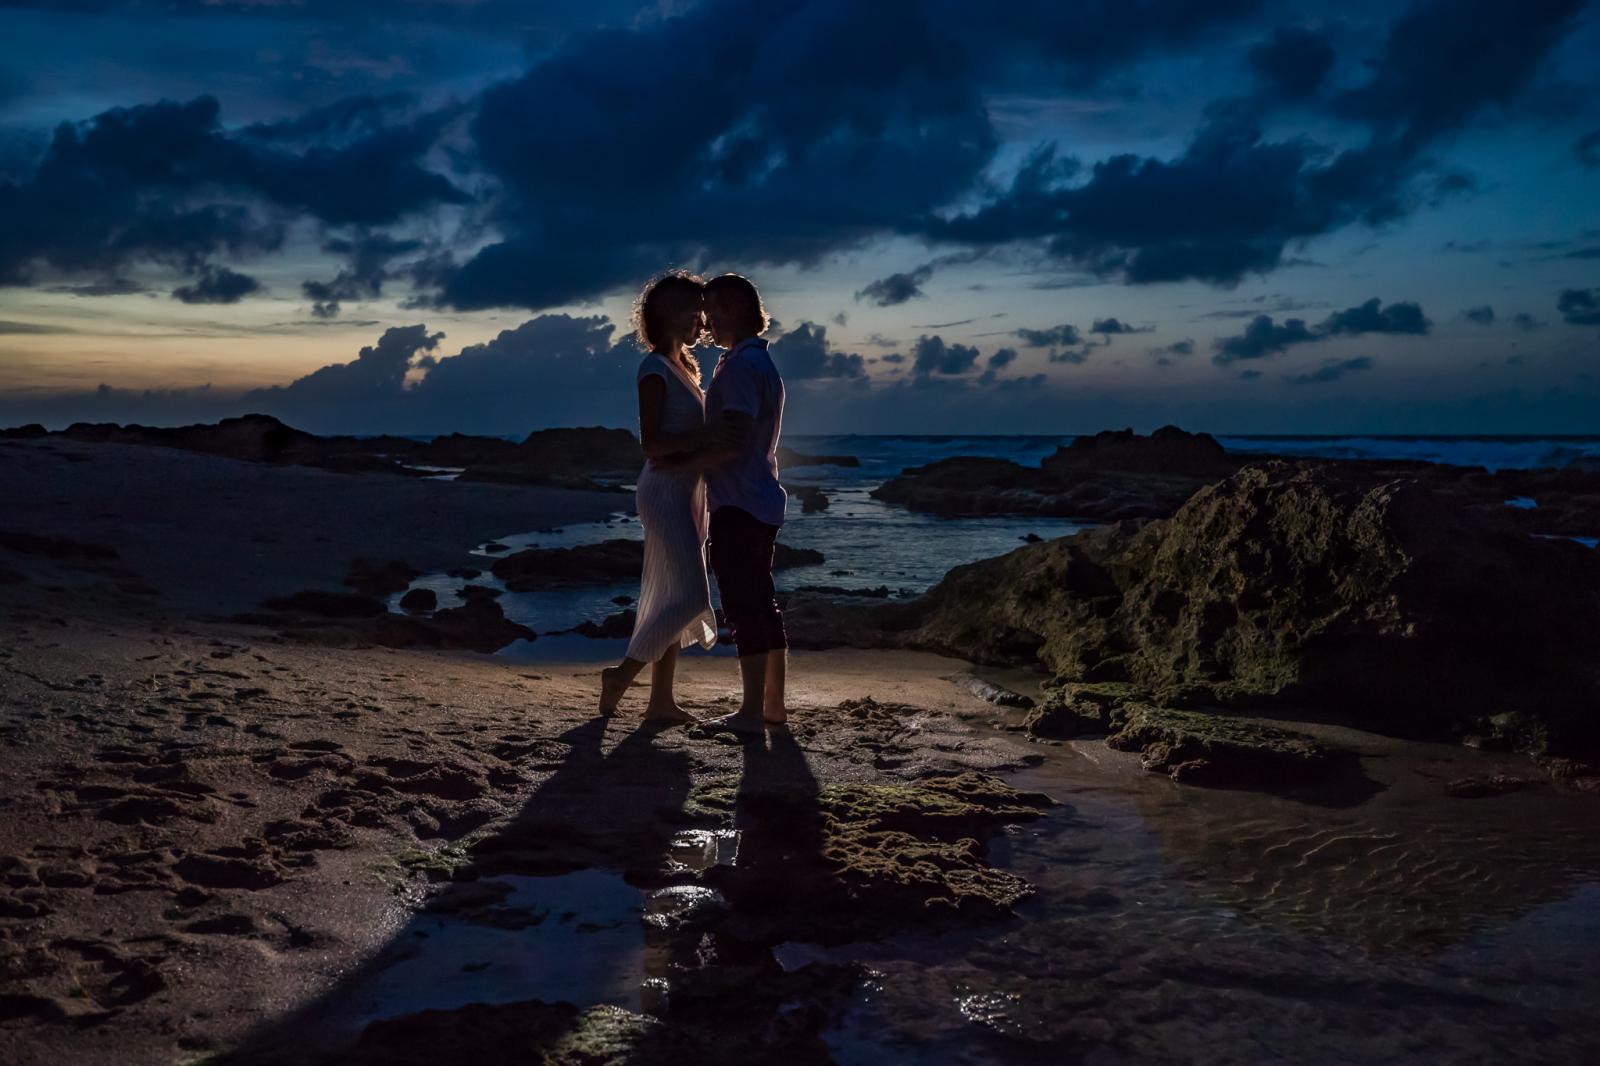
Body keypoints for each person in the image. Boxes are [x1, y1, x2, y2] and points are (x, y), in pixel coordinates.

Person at [597, 271, 740, 722]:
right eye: (694, 310)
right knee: (691, 596)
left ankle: (661, 703)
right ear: (667, 314)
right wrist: (711, 433)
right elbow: (652, 444)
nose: (703, 319)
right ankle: (621, 675)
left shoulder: (686, 366)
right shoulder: (654, 368)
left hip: (687, 489)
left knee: (670, 596)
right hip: (663, 490)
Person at [695, 272, 790, 733]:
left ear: (732, 310)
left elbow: (733, 434)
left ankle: (752, 711)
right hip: (762, 499)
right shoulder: (759, 363)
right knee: (762, 601)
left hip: (739, 501)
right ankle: (772, 706)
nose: (705, 323)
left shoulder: (738, 367)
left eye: (711, 311)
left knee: (743, 605)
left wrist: (687, 459)